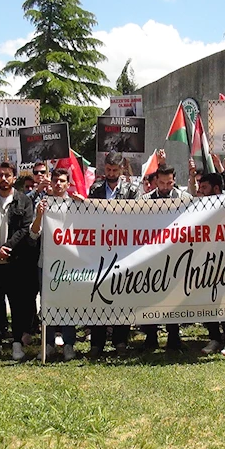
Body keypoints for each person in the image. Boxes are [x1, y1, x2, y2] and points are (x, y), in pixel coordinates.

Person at [0, 161, 35, 361]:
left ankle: (17, 343)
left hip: (16, 263)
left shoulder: (24, 201)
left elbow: (25, 228)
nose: (4, 178)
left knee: (18, 305)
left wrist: (8, 248)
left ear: (14, 178)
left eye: (7, 175)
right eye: (0, 175)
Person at [88, 151, 139, 359]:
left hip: (124, 249)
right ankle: (97, 343)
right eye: (108, 170)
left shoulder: (132, 191)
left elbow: (137, 218)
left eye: (114, 170)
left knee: (122, 295)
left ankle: (120, 340)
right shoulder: (96, 189)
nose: (111, 173)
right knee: (98, 294)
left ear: (121, 170)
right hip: (100, 249)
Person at [141, 165, 191, 351]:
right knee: (152, 296)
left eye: (168, 182)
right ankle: (151, 335)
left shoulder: (185, 199)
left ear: (174, 180)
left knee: (174, 297)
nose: (164, 186)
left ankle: (174, 335)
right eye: (161, 183)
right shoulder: (145, 200)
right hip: (153, 256)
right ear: (156, 181)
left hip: (177, 255)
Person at [31, 168, 77, 361]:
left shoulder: (75, 205)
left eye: (62, 181)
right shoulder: (42, 205)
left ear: (68, 184)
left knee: (68, 303)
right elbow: (34, 233)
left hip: (69, 264)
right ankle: (48, 343)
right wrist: (40, 215)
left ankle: (68, 344)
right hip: (47, 264)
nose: (58, 184)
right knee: (47, 303)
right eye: (56, 180)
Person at [198, 173, 225, 356]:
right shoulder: (198, 207)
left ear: (216, 189)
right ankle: (214, 337)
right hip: (205, 260)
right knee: (208, 298)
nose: (200, 191)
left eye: (204, 188)